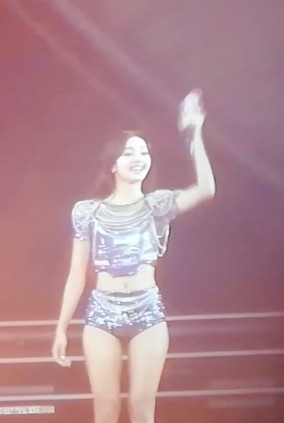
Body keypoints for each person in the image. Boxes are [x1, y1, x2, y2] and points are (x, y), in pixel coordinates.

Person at [52, 90, 217, 423]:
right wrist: (61, 327)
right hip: (102, 312)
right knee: (106, 408)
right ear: (114, 164)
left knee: (141, 408)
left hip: (147, 310)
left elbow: (206, 189)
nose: (138, 158)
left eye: (144, 152)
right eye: (129, 153)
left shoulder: (157, 205)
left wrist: (195, 134)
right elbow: (76, 274)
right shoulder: (87, 212)